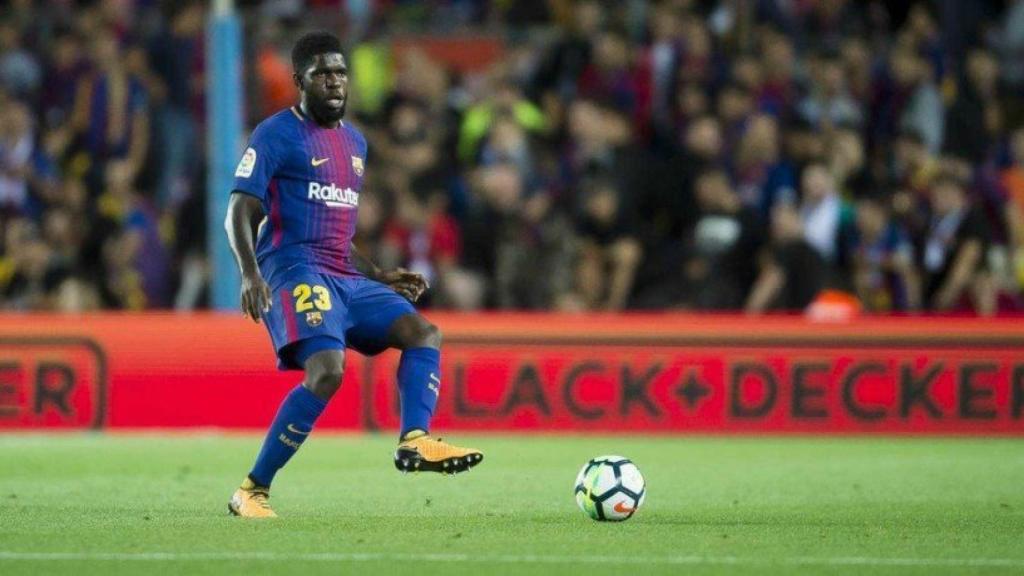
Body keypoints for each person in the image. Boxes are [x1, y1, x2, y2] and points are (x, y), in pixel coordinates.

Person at [224, 32, 483, 519]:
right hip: (294, 268)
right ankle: (252, 490)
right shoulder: (275, 134)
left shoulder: (355, 143)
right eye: (323, 74)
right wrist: (248, 273)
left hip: (343, 273)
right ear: (300, 81)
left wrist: (379, 275)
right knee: (328, 372)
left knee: (422, 332)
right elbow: (239, 209)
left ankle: (415, 440)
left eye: (341, 72)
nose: (335, 81)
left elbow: (336, 232)